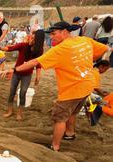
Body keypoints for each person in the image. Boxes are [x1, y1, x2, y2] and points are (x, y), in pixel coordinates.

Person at [7, 21, 108, 151]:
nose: (51, 37)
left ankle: (55, 146)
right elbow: (105, 48)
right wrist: (90, 58)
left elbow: (35, 61)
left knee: (60, 118)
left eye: (54, 34)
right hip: (88, 85)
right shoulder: (84, 40)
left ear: (64, 32)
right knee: (72, 112)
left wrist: (15, 70)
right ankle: (70, 133)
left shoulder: (60, 49)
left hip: (72, 89)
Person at [1, 30, 45, 121]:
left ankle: (19, 113)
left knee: (23, 92)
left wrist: (38, 75)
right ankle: (10, 111)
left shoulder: (39, 50)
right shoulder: (23, 45)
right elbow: (10, 48)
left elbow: (38, 63)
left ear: (38, 41)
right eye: (30, 37)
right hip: (16, 73)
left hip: (27, 75)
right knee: (12, 91)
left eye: (33, 38)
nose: (30, 39)